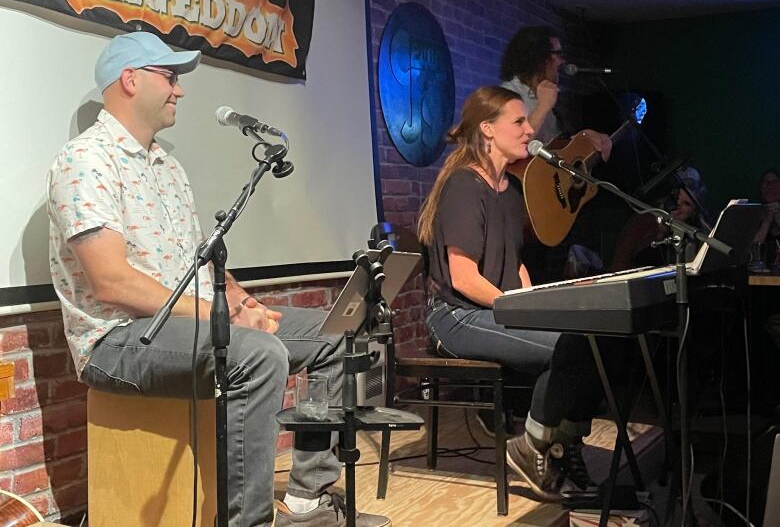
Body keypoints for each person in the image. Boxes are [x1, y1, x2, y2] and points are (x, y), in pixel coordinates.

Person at [46, 31, 389, 527]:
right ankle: (245, 522)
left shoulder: (167, 165)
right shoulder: (85, 161)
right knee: (257, 353)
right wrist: (223, 320)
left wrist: (242, 303)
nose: (179, 89)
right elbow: (112, 283)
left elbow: (205, 260)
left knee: (337, 332)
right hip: (118, 341)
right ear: (130, 80)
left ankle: (306, 502)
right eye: (170, 76)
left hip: (195, 323)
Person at [417, 85, 631, 501]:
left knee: (600, 338)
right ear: (487, 129)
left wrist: (536, 305)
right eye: (519, 121)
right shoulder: (464, 186)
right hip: (457, 316)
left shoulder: (509, 191)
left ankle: (560, 443)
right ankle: (532, 443)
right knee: (570, 346)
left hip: (494, 309)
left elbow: (514, 263)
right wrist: (519, 309)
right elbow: (461, 277)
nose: (530, 128)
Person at [499, 25, 613, 283]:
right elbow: (512, 146)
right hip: (520, 203)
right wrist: (544, 105)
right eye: (557, 53)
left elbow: (552, 148)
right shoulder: (508, 94)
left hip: (548, 202)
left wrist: (584, 139)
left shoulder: (543, 96)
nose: (562, 61)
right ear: (539, 57)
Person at [611, 169, 707, 271]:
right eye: (676, 199)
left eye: (686, 204)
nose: (678, 205)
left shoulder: (696, 233)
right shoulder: (644, 220)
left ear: (694, 211)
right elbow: (620, 261)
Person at [753, 168, 780, 268]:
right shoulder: (753, 216)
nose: (770, 186)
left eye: (775, 182)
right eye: (766, 182)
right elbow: (752, 251)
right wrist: (766, 222)